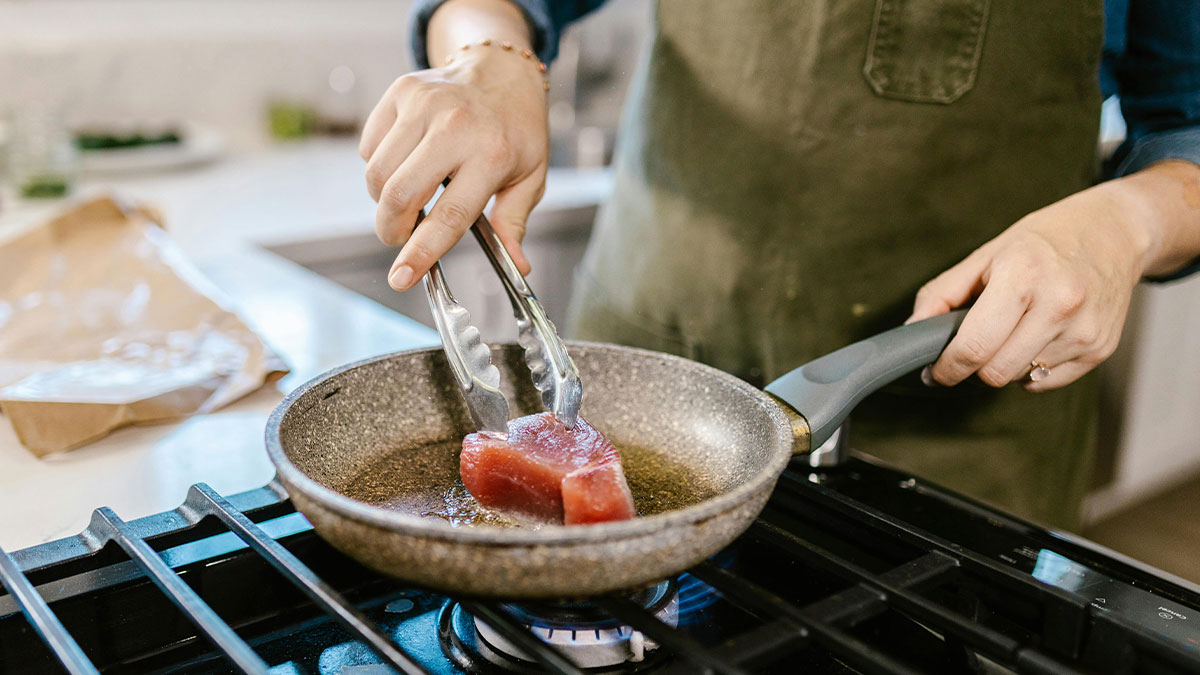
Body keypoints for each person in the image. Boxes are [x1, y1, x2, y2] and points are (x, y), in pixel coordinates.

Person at [359, 0, 1200, 530]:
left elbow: (1186, 125)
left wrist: (1129, 221)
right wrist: (487, 59)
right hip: (651, 366)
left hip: (957, 428)